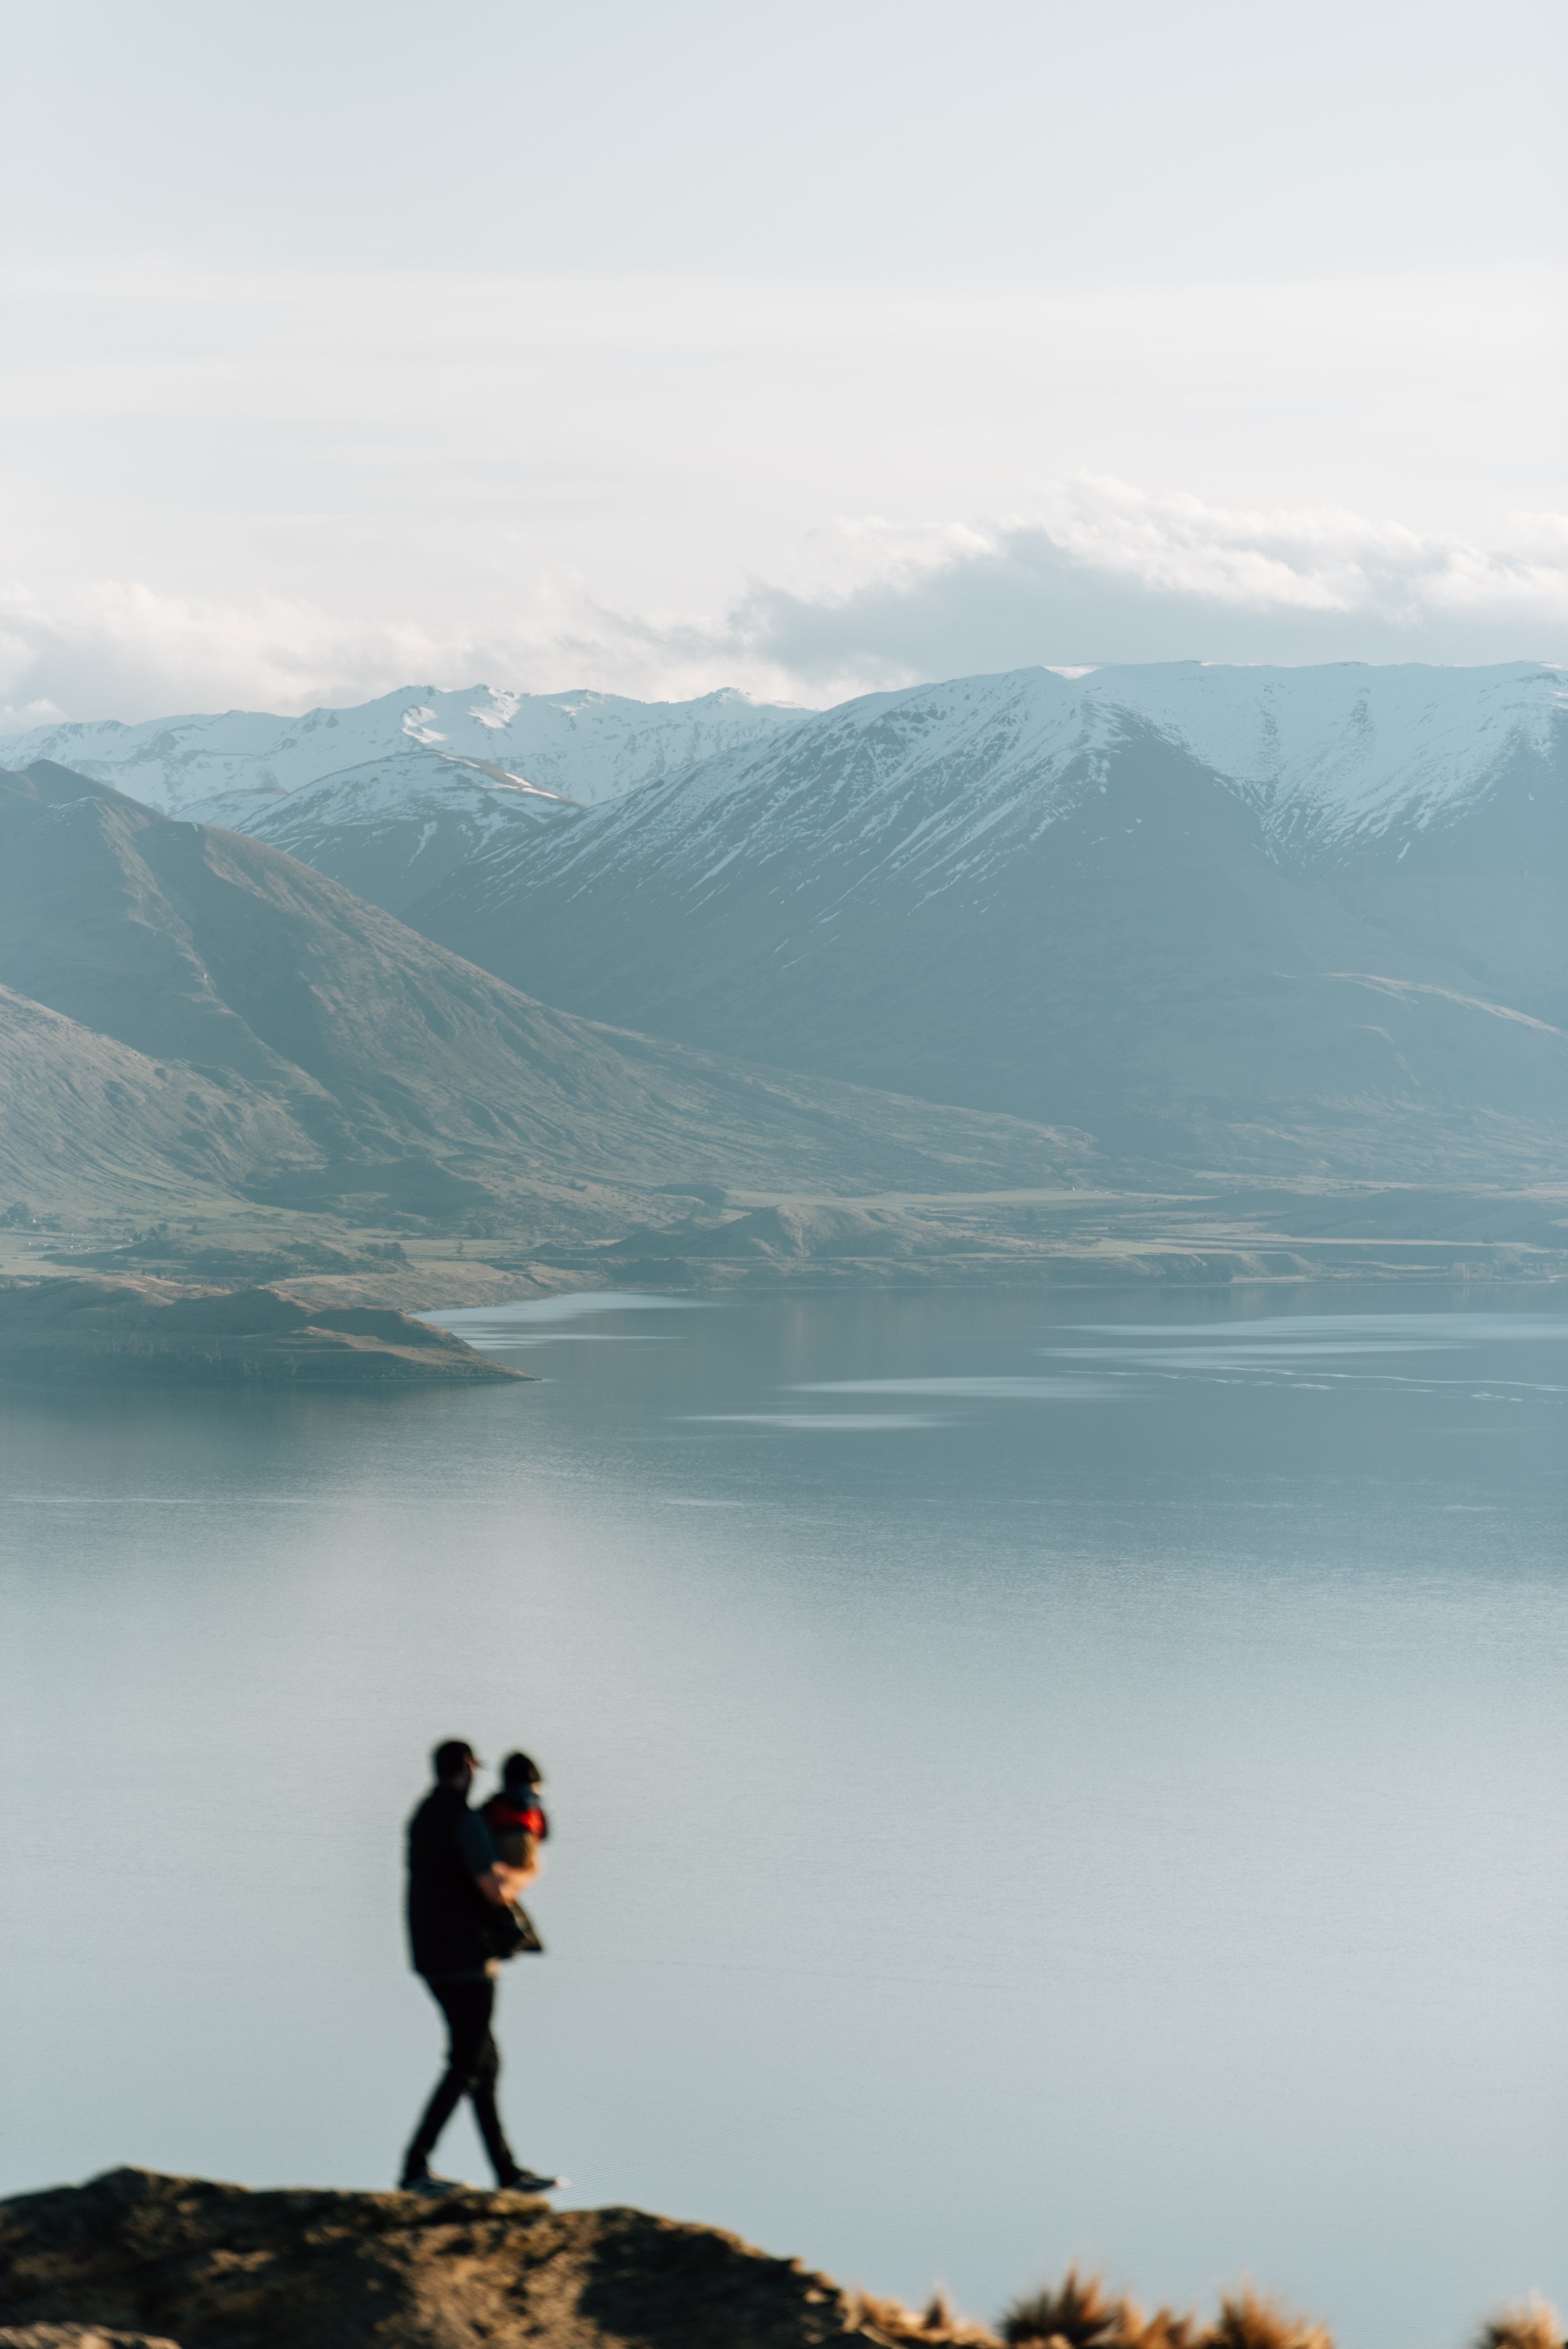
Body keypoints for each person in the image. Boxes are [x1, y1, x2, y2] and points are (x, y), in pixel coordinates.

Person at [400, 1737, 563, 2197]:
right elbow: (494, 1888)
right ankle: (415, 2169)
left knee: (483, 2063)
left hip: (430, 1955)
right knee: (468, 2062)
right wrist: (531, 1870)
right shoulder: (464, 1820)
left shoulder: (422, 1816)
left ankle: (507, 2173)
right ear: (468, 1767)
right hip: (467, 1959)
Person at [481, 1751, 549, 1874]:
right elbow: (544, 1835)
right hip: (521, 1868)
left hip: (496, 1866)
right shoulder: (536, 1812)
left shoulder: (494, 1806)